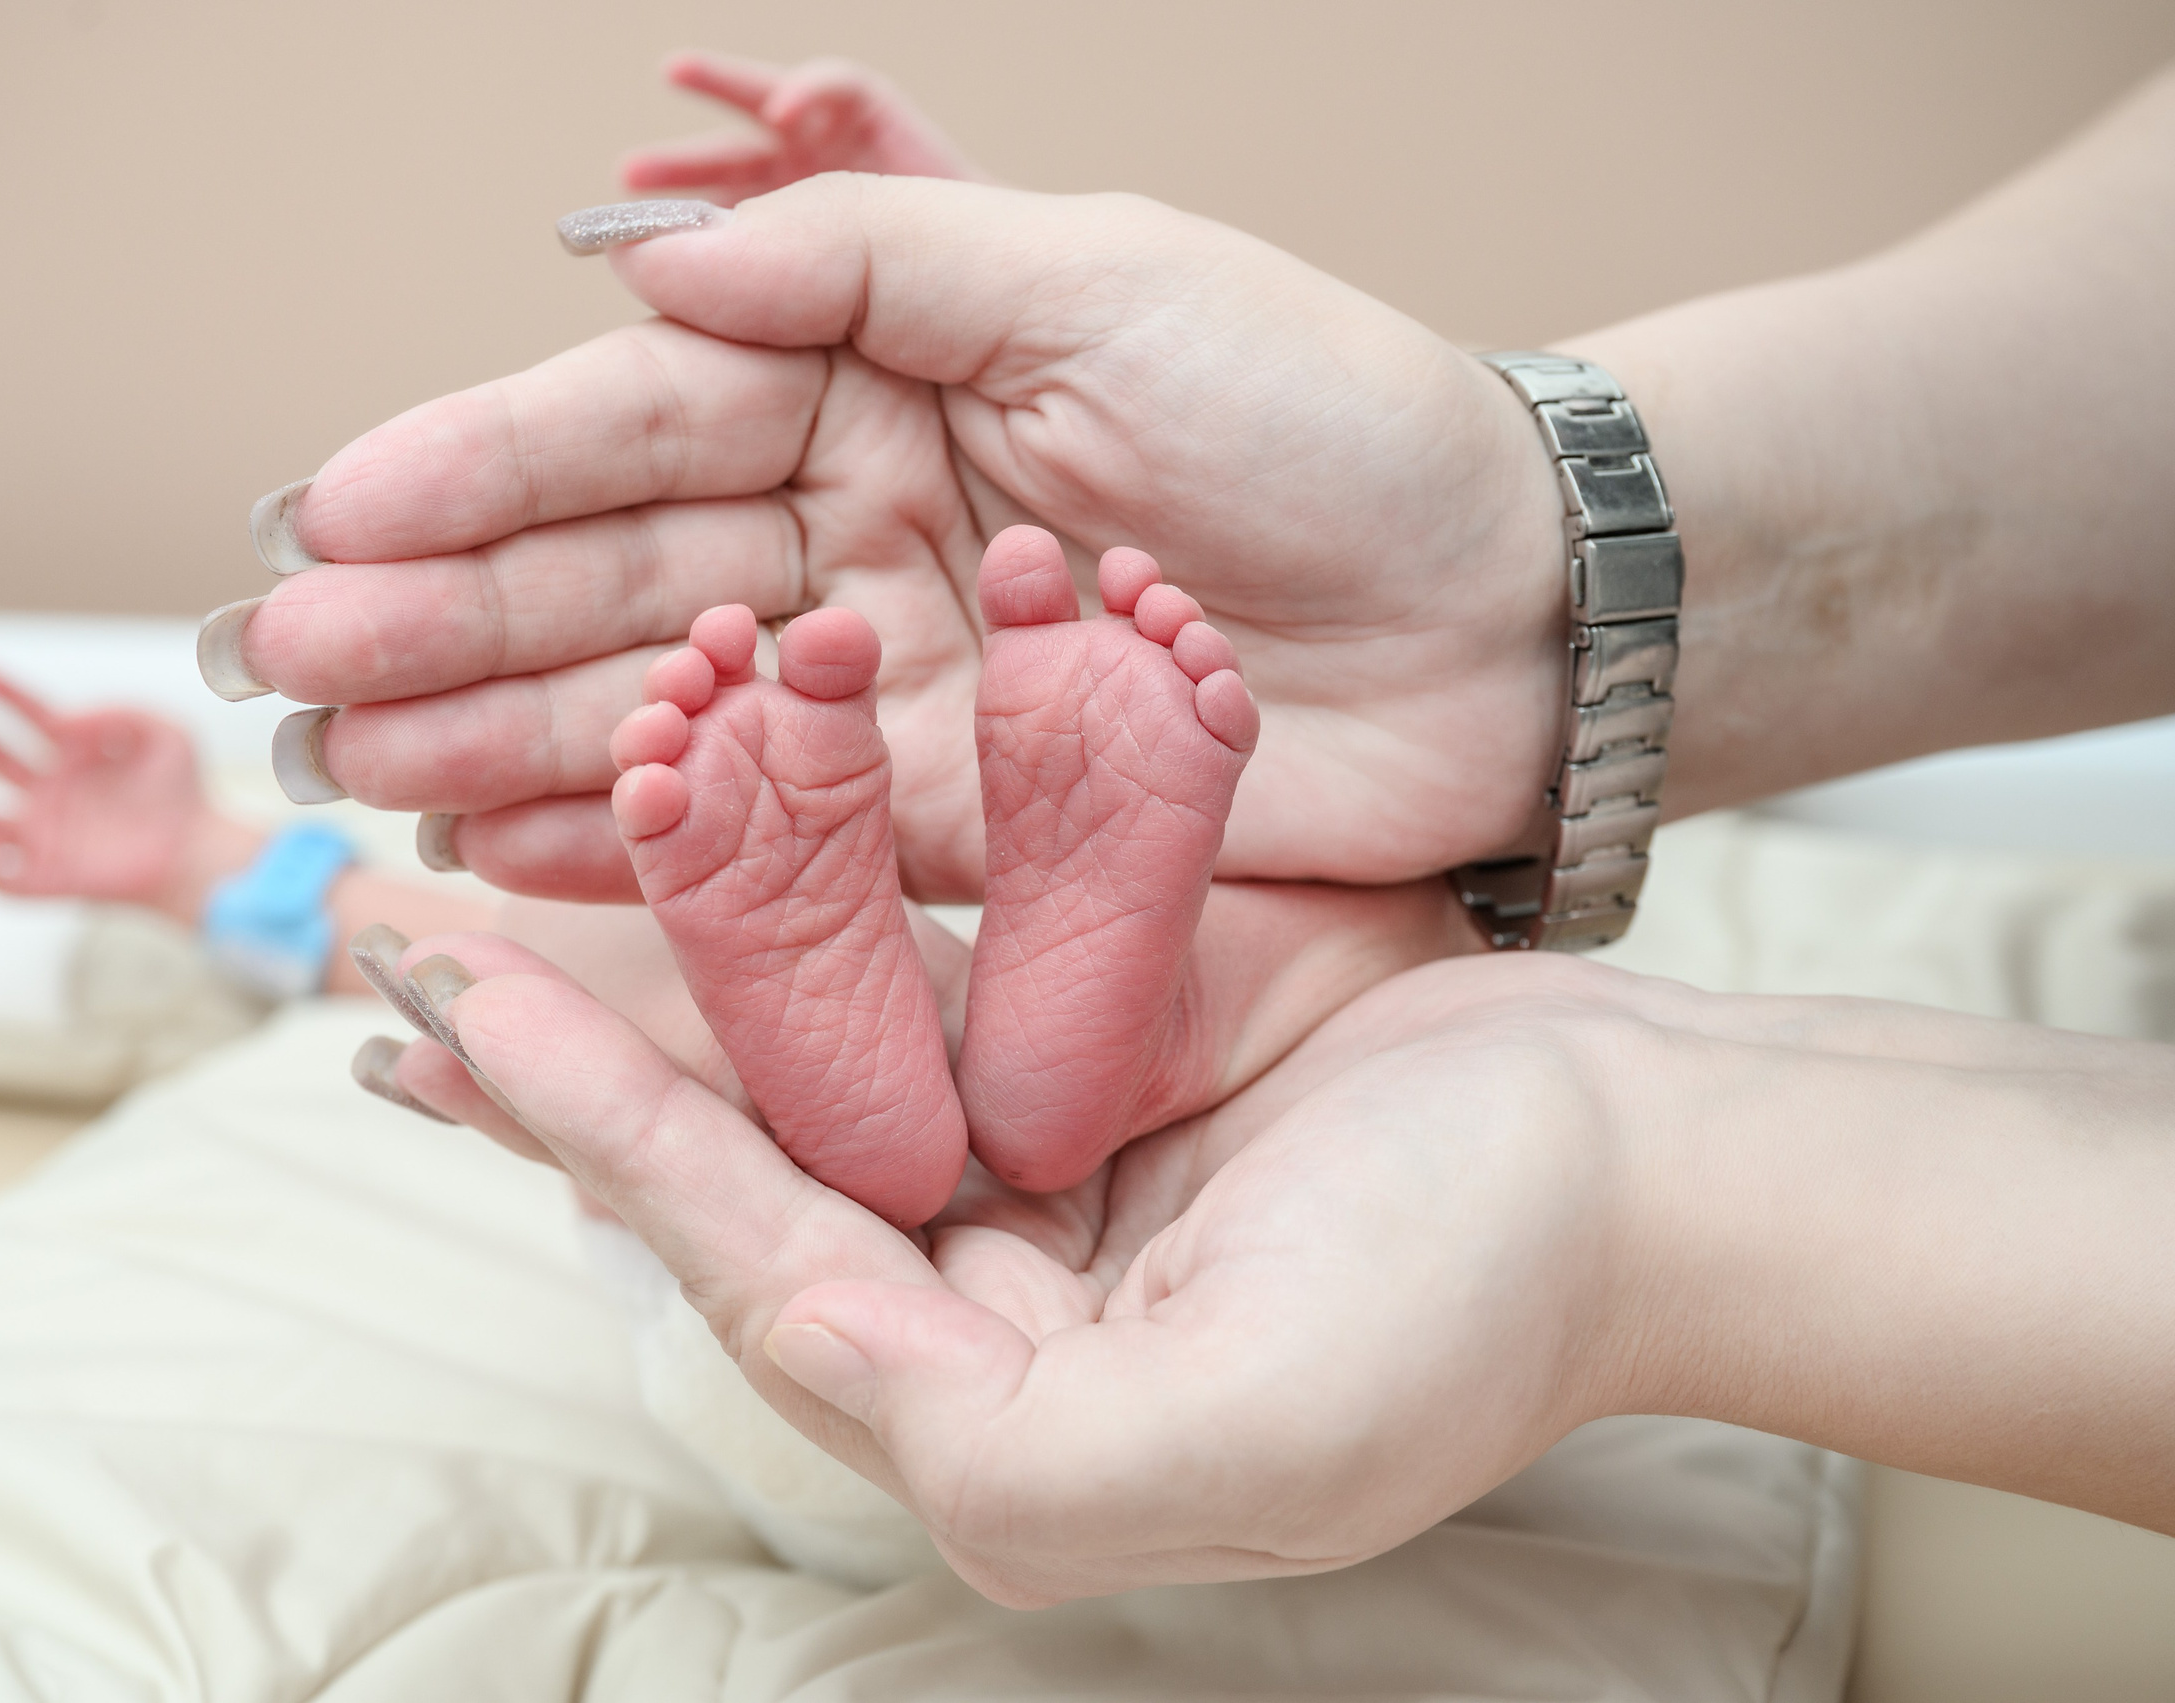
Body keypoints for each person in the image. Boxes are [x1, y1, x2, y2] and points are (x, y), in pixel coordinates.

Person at [201, 55, 2175, 1603]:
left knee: (584, 954)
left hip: (863, 1358)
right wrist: (951, 307)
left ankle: (893, 1075)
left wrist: (172, 866)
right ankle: (1095, 1024)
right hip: (1304, 1215)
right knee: (1339, 929)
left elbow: (352, 912)